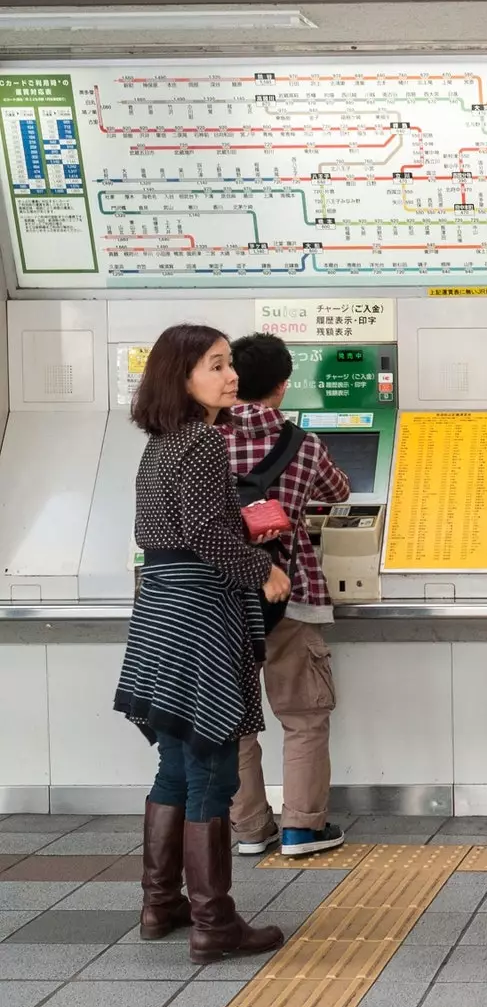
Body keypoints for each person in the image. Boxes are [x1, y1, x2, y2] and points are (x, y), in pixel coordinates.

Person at [113, 324, 289, 965]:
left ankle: (161, 903)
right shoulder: (203, 444)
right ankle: (214, 924)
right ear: (181, 376)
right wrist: (263, 569)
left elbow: (166, 528)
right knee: (213, 768)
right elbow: (208, 537)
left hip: (159, 611)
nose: (230, 375)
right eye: (215, 366)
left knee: (175, 765)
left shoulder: (160, 444)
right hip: (198, 617)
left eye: (229, 365)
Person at [224, 333, 352, 858]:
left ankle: (250, 830)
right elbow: (340, 492)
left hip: (223, 597)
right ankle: (302, 828)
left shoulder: (203, 440)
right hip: (291, 594)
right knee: (303, 716)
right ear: (282, 385)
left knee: (232, 720)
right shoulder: (303, 443)